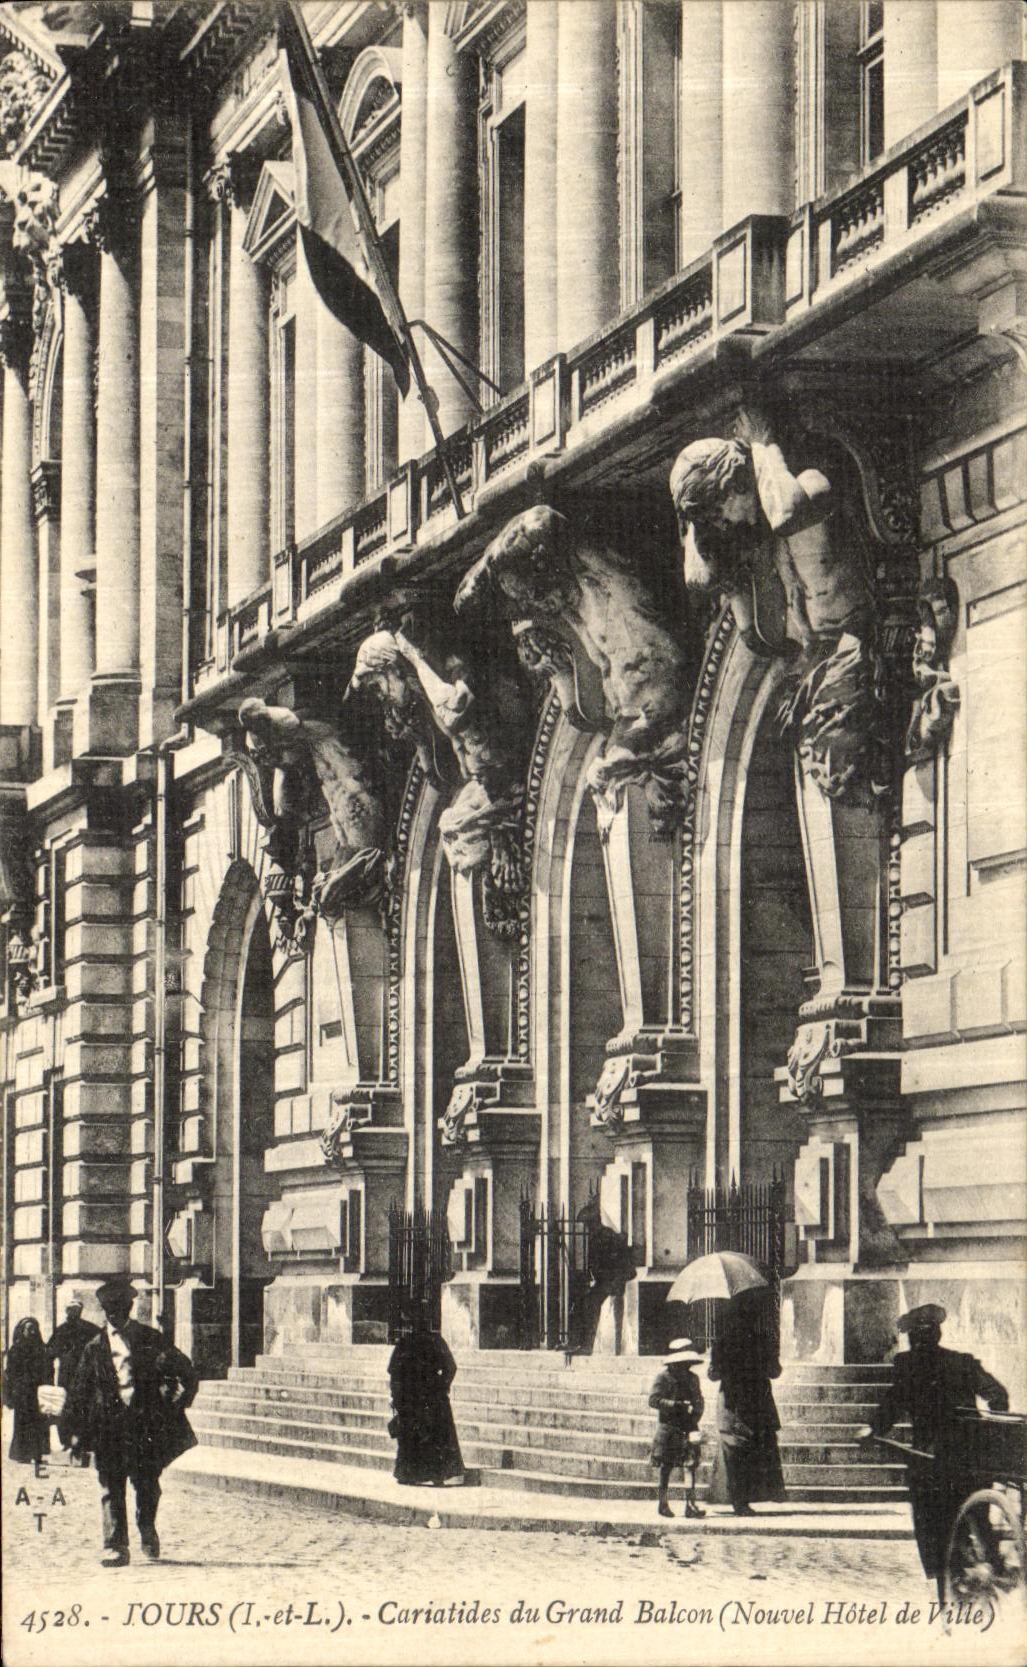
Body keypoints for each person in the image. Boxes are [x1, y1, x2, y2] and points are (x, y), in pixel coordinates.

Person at [857, 1303, 1009, 1600]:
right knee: (977, 1513)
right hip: (973, 1454)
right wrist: (993, 1424)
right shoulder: (963, 1362)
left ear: (913, 1338)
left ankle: (944, 1573)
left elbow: (892, 1404)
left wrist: (872, 1429)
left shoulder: (907, 1365)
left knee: (929, 1517)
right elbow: (998, 1394)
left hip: (932, 1458)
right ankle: (992, 1559)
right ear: (938, 1335)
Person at [58, 1277, 198, 1566]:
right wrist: (72, 1432)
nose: (114, 1315)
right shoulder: (94, 1348)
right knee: (111, 1485)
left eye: (120, 1308)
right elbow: (79, 1391)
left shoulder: (150, 1339)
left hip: (144, 1426)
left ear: (129, 1307)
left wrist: (173, 1406)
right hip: (108, 1428)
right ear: (104, 1311)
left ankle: (146, 1527)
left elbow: (185, 1372)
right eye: (109, 1310)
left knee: (147, 1485)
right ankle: (115, 1545)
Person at [707, 1288, 786, 1516]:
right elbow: (775, 1371)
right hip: (756, 1400)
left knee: (734, 1448)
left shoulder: (721, 1342)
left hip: (732, 1401)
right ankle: (747, 1498)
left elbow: (713, 1375)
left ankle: (737, 1500)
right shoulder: (764, 1340)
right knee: (754, 1447)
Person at [387, 1317, 464, 1487]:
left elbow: (394, 1374)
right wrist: (441, 1385)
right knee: (435, 1438)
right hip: (432, 1397)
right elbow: (451, 1367)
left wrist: (396, 1397)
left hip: (411, 1398)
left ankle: (408, 1474)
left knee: (411, 1438)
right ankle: (437, 1475)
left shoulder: (404, 1343)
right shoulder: (436, 1341)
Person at [567, 1198, 638, 1355]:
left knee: (591, 1303)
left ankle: (587, 1346)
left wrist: (611, 1283)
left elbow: (613, 1262)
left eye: (587, 1224)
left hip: (613, 1280)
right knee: (584, 1302)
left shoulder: (605, 1236)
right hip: (605, 1280)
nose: (586, 1228)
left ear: (593, 1223)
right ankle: (578, 1343)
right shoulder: (598, 1236)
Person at [649, 1337, 705, 1519]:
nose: (685, 1366)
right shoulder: (663, 1378)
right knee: (666, 1465)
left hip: (689, 1426)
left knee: (690, 1464)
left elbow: (699, 1400)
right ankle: (663, 1503)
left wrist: (696, 1412)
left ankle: (690, 1504)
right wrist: (675, 1405)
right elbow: (654, 1400)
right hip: (669, 1427)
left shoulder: (693, 1379)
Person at [45, 1296, 100, 1465]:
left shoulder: (90, 1330)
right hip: (66, 1377)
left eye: (75, 1311)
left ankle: (83, 1442)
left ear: (80, 1312)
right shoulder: (61, 1330)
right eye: (70, 1310)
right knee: (66, 1408)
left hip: (84, 1376)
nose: (72, 1313)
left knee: (84, 1408)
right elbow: (50, 1353)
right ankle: (68, 1441)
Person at [2, 1317, 51, 1464]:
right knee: (23, 1423)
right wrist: (9, 1394)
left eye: (34, 1328)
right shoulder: (15, 1349)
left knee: (38, 1423)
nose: (32, 1331)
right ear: (22, 1331)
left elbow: (48, 1370)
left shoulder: (41, 1349)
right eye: (29, 1329)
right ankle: (22, 1454)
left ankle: (37, 1454)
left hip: (37, 1392)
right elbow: (9, 1373)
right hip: (22, 1393)